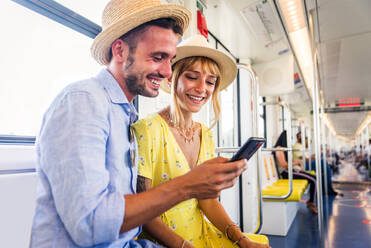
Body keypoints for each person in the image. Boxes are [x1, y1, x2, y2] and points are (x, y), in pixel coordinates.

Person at [29, 1, 248, 247]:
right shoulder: (83, 102)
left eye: (170, 60)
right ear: (120, 51)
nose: (167, 72)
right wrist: (188, 185)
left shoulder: (124, 115)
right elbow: (90, 226)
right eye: (158, 57)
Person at [133, 35, 270, 248]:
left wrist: (242, 239)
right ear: (172, 79)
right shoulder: (147, 130)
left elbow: (208, 201)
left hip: (201, 235)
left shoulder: (205, 134)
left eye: (210, 82)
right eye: (192, 77)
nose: (201, 88)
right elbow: (143, 213)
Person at [273, 131, 318, 214]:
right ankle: (311, 203)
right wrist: (297, 162)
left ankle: (311, 201)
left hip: (291, 170)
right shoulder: (279, 148)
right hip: (286, 172)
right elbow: (284, 164)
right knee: (313, 179)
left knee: (314, 178)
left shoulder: (285, 148)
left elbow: (291, 161)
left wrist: (298, 164)